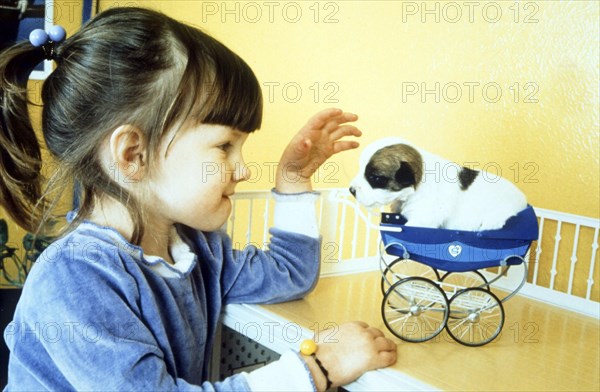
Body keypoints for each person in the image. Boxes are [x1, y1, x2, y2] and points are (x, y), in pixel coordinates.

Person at [0, 7, 397, 391]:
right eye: (225, 146)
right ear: (133, 155)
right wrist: (320, 369)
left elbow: (289, 275)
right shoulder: (75, 277)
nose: (243, 169)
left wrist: (294, 180)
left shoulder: (197, 252)